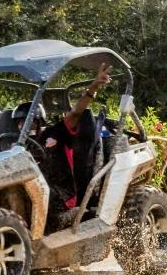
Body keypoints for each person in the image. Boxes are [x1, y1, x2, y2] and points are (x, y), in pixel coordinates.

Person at [35, 64, 111, 214]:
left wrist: (93, 87)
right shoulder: (18, 143)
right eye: (20, 123)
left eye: (31, 121)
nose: (25, 126)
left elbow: (76, 113)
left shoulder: (55, 132)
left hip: (63, 194)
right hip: (38, 187)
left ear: (39, 121)